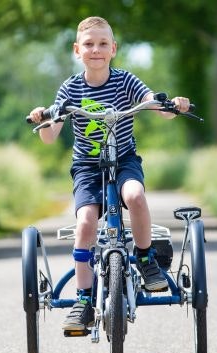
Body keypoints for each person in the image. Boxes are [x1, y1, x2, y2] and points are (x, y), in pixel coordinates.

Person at [28, 16, 191, 332]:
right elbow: (49, 137)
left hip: (125, 160)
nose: (96, 50)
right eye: (89, 44)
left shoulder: (126, 81)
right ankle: (84, 300)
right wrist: (44, 118)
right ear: (78, 50)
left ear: (113, 49)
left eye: (103, 44)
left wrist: (172, 105)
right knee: (86, 222)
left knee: (136, 196)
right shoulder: (70, 88)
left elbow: (152, 103)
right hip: (87, 168)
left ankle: (145, 259)